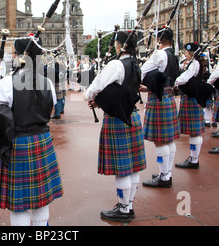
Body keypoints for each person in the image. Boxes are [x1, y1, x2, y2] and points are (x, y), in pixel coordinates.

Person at [0, 35, 63, 226]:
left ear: (19, 56)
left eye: (14, 53)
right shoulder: (48, 83)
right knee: (41, 199)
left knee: (19, 204)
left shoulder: (7, 84)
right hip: (43, 141)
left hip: (18, 144)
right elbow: (51, 107)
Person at [85, 31, 146, 223]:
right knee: (133, 166)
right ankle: (129, 204)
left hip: (117, 119)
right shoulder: (136, 64)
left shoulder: (116, 64)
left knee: (122, 168)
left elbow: (96, 86)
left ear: (120, 46)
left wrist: (91, 98)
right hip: (133, 116)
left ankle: (123, 208)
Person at [140, 27, 179, 188]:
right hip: (168, 98)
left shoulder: (161, 54)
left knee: (160, 141)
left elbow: (142, 71)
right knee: (168, 140)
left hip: (159, 100)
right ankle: (167, 173)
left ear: (158, 40)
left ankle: (164, 177)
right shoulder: (174, 56)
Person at [174, 43, 206, 169]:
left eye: (186, 53)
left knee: (195, 133)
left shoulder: (194, 64)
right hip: (191, 98)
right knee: (194, 133)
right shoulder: (193, 63)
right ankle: (193, 158)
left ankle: (194, 159)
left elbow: (184, 78)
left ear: (192, 53)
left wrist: (174, 82)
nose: (185, 55)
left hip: (192, 99)